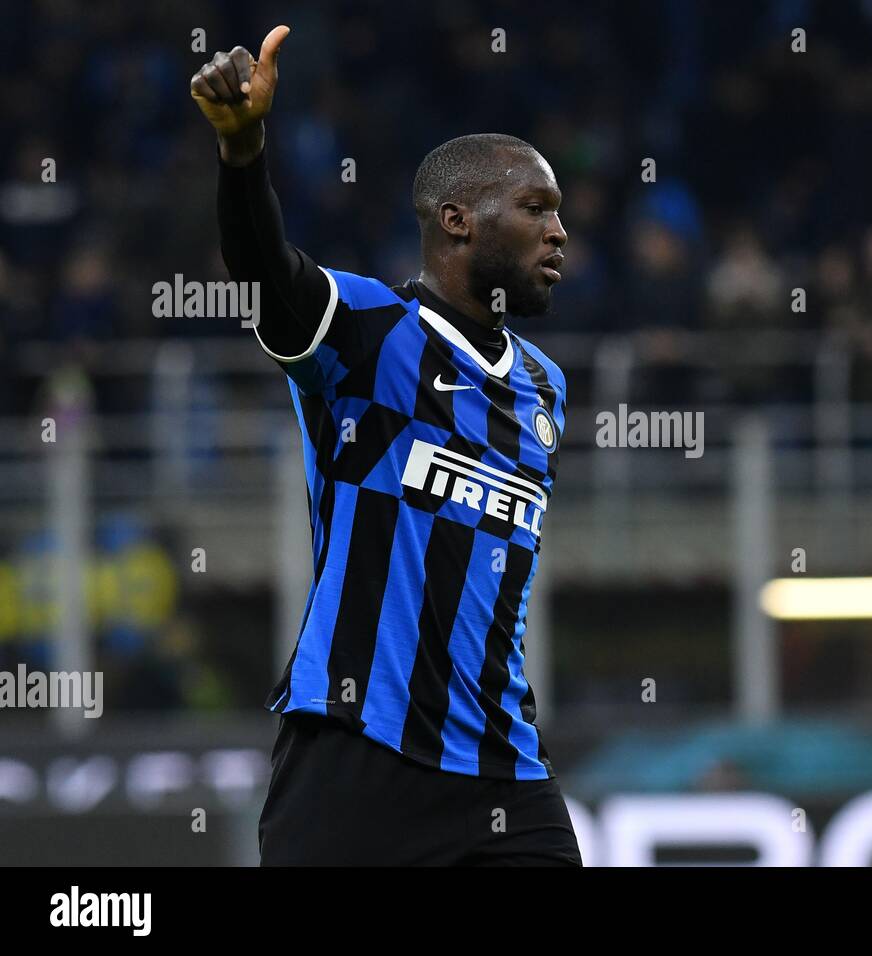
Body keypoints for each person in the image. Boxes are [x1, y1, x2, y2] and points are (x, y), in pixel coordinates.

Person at [191, 25, 580, 865]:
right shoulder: (370, 333)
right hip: (353, 753)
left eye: (560, 215)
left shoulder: (544, 387)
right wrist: (244, 151)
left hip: (501, 769)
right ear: (457, 221)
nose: (559, 234)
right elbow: (266, 270)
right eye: (536, 209)